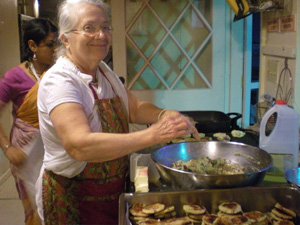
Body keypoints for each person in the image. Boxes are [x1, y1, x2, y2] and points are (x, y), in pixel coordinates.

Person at [35, 0, 200, 224]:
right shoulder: (61, 81)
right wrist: (154, 135)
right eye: (89, 28)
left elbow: (133, 107)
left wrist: (163, 115)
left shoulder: (103, 71)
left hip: (110, 193)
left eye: (105, 27)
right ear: (65, 38)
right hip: (74, 197)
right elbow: (79, 145)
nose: (101, 35)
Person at [0, 18, 57, 225]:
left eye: (56, 43)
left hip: (56, 148)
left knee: (57, 204)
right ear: (32, 45)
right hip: (26, 153)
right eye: (49, 44)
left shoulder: (60, 73)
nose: (55, 49)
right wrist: (7, 147)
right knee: (35, 209)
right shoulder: (14, 77)